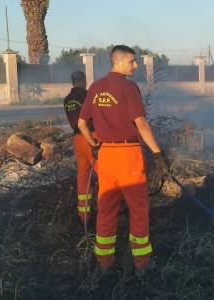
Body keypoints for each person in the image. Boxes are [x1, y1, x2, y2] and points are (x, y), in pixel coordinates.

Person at [78, 45, 169, 278]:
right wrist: (158, 155)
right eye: (132, 61)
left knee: (106, 209)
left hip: (106, 155)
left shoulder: (95, 87)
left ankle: (105, 263)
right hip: (128, 154)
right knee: (138, 210)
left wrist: (94, 146)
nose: (136, 65)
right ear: (117, 62)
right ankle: (142, 264)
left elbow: (81, 124)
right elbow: (140, 123)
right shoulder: (128, 87)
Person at [63, 71, 98, 223]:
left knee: (83, 176)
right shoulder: (88, 95)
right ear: (84, 80)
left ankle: (83, 215)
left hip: (77, 139)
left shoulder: (67, 99)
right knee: (103, 174)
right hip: (92, 137)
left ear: (72, 82)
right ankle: (106, 211)